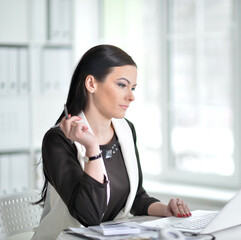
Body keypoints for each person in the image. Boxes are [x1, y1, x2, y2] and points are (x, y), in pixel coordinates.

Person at [32, 44, 191, 239]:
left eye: (133, 88)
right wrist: (92, 148)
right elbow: (88, 215)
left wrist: (165, 209)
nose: (131, 96)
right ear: (91, 84)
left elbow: (136, 198)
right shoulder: (58, 140)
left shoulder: (126, 130)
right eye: (122, 85)